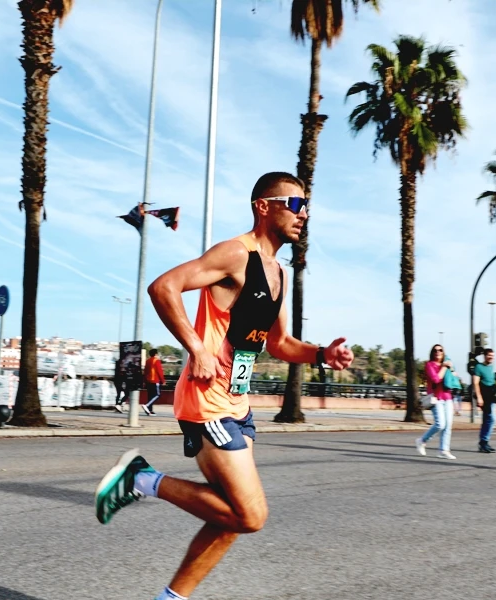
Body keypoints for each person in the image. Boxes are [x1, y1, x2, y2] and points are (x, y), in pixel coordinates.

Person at [93, 172, 354, 600]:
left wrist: (323, 354)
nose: (303, 214)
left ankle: (171, 599)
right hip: (207, 400)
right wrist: (196, 347)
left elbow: (281, 344)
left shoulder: (278, 273)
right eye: (294, 204)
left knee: (230, 516)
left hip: (237, 404)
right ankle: (141, 479)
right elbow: (164, 287)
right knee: (251, 516)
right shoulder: (236, 254)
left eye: (307, 206)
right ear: (263, 206)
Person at [416, 344, 456, 460]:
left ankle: (444, 450)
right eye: (435, 350)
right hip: (436, 398)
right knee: (440, 424)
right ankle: (422, 440)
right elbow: (436, 379)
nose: (438, 352)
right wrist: (444, 367)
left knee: (448, 426)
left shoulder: (447, 365)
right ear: (432, 353)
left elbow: (453, 379)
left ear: (443, 352)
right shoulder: (429, 365)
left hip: (447, 397)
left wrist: (451, 369)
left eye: (440, 350)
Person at [473, 348, 496, 453]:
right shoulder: (479, 367)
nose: (491, 357)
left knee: (487, 420)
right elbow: (475, 383)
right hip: (484, 396)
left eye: (492, 356)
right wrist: (479, 397)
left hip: (492, 395)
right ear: (484, 356)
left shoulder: (491, 367)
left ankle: (484, 443)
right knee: (492, 419)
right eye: (489, 355)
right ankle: (484, 441)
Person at [142, 348, 165, 415]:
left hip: (148, 381)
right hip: (155, 381)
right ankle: (147, 405)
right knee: (157, 395)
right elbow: (159, 371)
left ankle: (150, 410)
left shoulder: (147, 361)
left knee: (150, 395)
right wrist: (163, 381)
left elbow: (145, 372)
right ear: (155, 354)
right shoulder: (156, 361)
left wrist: (144, 381)